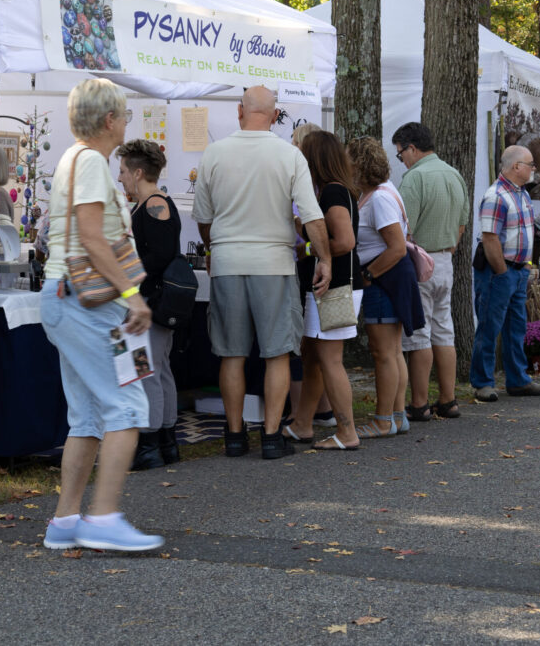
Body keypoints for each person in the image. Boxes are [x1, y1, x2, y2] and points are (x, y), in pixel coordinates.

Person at [40, 78, 163, 552]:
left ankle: (67, 520)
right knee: (128, 406)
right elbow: (92, 236)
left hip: (72, 299)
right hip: (89, 302)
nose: (127, 122)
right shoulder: (90, 161)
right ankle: (104, 519)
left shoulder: (75, 159)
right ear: (110, 120)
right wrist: (133, 294)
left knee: (88, 417)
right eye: (126, 115)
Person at [192, 86, 331, 459]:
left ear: (240, 111)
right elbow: (312, 215)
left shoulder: (215, 153)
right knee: (278, 355)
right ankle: (271, 436)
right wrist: (325, 259)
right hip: (273, 263)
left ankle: (235, 435)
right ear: (274, 115)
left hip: (228, 262)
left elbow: (204, 219)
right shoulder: (289, 156)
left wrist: (213, 247)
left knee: (231, 355)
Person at [277, 126, 366, 450]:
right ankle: (302, 424)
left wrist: (309, 247)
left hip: (335, 285)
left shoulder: (331, 192)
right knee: (315, 356)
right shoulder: (338, 190)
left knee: (329, 359)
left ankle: (347, 431)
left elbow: (344, 241)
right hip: (332, 285)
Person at [391, 122, 470, 422]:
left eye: (401, 155)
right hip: (445, 259)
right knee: (444, 330)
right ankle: (448, 400)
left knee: (420, 336)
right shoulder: (454, 174)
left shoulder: (415, 179)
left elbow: (402, 228)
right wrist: (448, 248)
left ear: (411, 148)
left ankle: (420, 403)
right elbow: (462, 223)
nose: (402, 161)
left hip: (418, 260)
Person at [348, 136, 425, 438]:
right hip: (389, 278)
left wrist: (368, 274)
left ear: (359, 164)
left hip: (384, 279)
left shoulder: (378, 198)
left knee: (384, 353)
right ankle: (396, 415)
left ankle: (383, 420)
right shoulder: (380, 192)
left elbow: (396, 247)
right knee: (393, 351)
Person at [116, 140, 183, 469]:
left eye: (124, 171)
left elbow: (156, 258)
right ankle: (167, 443)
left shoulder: (156, 205)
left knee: (148, 373)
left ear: (139, 172)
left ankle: (149, 443)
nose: (120, 178)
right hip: (153, 300)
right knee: (160, 370)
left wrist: (128, 280)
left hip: (151, 301)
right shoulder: (154, 203)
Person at [470, 145, 540, 401]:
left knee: (516, 327)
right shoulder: (496, 196)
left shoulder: (521, 193)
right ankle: (483, 382)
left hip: (516, 271)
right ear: (516, 167)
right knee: (489, 328)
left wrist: (524, 267)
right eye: (530, 163)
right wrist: (502, 272)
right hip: (500, 271)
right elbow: (490, 239)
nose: (533, 168)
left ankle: (517, 380)